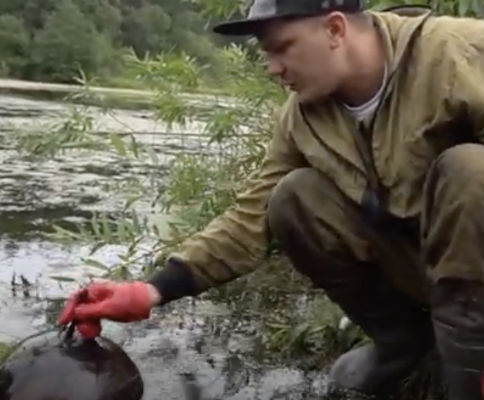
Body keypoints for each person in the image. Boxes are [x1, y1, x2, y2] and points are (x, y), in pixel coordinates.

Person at [57, 0, 484, 398]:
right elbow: (251, 218)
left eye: (282, 48)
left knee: (469, 170)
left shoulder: (457, 53)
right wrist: (149, 290)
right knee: (292, 199)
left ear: (335, 29)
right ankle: (405, 344)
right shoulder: (302, 115)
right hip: (433, 272)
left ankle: (467, 376)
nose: (272, 68)